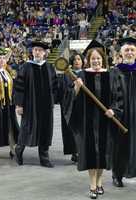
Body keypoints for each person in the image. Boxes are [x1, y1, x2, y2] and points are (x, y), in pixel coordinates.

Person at [65, 41, 123, 199]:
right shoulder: (82, 75)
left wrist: (114, 110)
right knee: (91, 153)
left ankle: (99, 182)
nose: (96, 61)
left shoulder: (111, 75)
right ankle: (92, 184)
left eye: (98, 59)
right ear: (88, 60)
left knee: (103, 153)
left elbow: (118, 97)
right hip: (87, 122)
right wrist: (76, 88)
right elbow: (69, 97)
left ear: (103, 60)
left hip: (106, 122)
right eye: (93, 59)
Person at [14, 40, 57, 168]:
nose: (37, 52)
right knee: (26, 129)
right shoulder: (26, 67)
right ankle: (18, 152)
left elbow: (54, 86)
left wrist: (52, 100)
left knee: (45, 130)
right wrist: (19, 104)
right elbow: (19, 87)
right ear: (32, 52)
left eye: (40, 50)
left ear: (45, 53)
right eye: (35, 50)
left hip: (46, 106)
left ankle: (44, 158)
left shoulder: (49, 67)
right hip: (30, 105)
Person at [111, 37, 136, 187]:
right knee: (119, 145)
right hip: (121, 115)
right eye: (126, 50)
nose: (130, 52)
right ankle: (117, 174)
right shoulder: (115, 72)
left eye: (132, 50)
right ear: (121, 53)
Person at [57, 52, 84, 163]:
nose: (77, 61)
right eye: (75, 59)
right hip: (70, 107)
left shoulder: (86, 74)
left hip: (83, 106)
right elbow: (63, 91)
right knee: (72, 130)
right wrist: (74, 88)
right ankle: (74, 152)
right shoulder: (66, 75)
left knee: (82, 130)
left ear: (83, 61)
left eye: (79, 59)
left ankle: (82, 151)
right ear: (71, 62)